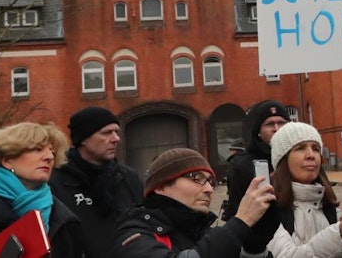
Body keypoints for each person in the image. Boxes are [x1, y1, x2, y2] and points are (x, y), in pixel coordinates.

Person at [115, 148, 278, 257]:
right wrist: (240, 222)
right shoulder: (134, 232)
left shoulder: (203, 232)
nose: (208, 189)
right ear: (161, 186)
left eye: (209, 181)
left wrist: (255, 247)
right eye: (196, 179)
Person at [50, 107, 143, 258]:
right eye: (106, 133)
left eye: (116, 132)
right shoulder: (55, 180)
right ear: (83, 139)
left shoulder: (128, 178)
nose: (116, 138)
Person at [266, 122, 342, 257]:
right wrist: (339, 235)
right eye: (300, 148)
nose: (311, 155)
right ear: (282, 160)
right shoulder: (268, 211)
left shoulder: (331, 210)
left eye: (316, 148)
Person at [0, 122, 80, 258]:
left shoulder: (62, 218)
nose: (49, 157)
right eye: (37, 149)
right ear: (7, 160)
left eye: (52, 151)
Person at [224, 100, 289, 221]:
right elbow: (235, 212)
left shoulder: (296, 157)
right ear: (258, 131)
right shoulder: (241, 165)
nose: (276, 128)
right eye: (269, 124)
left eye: (281, 123)